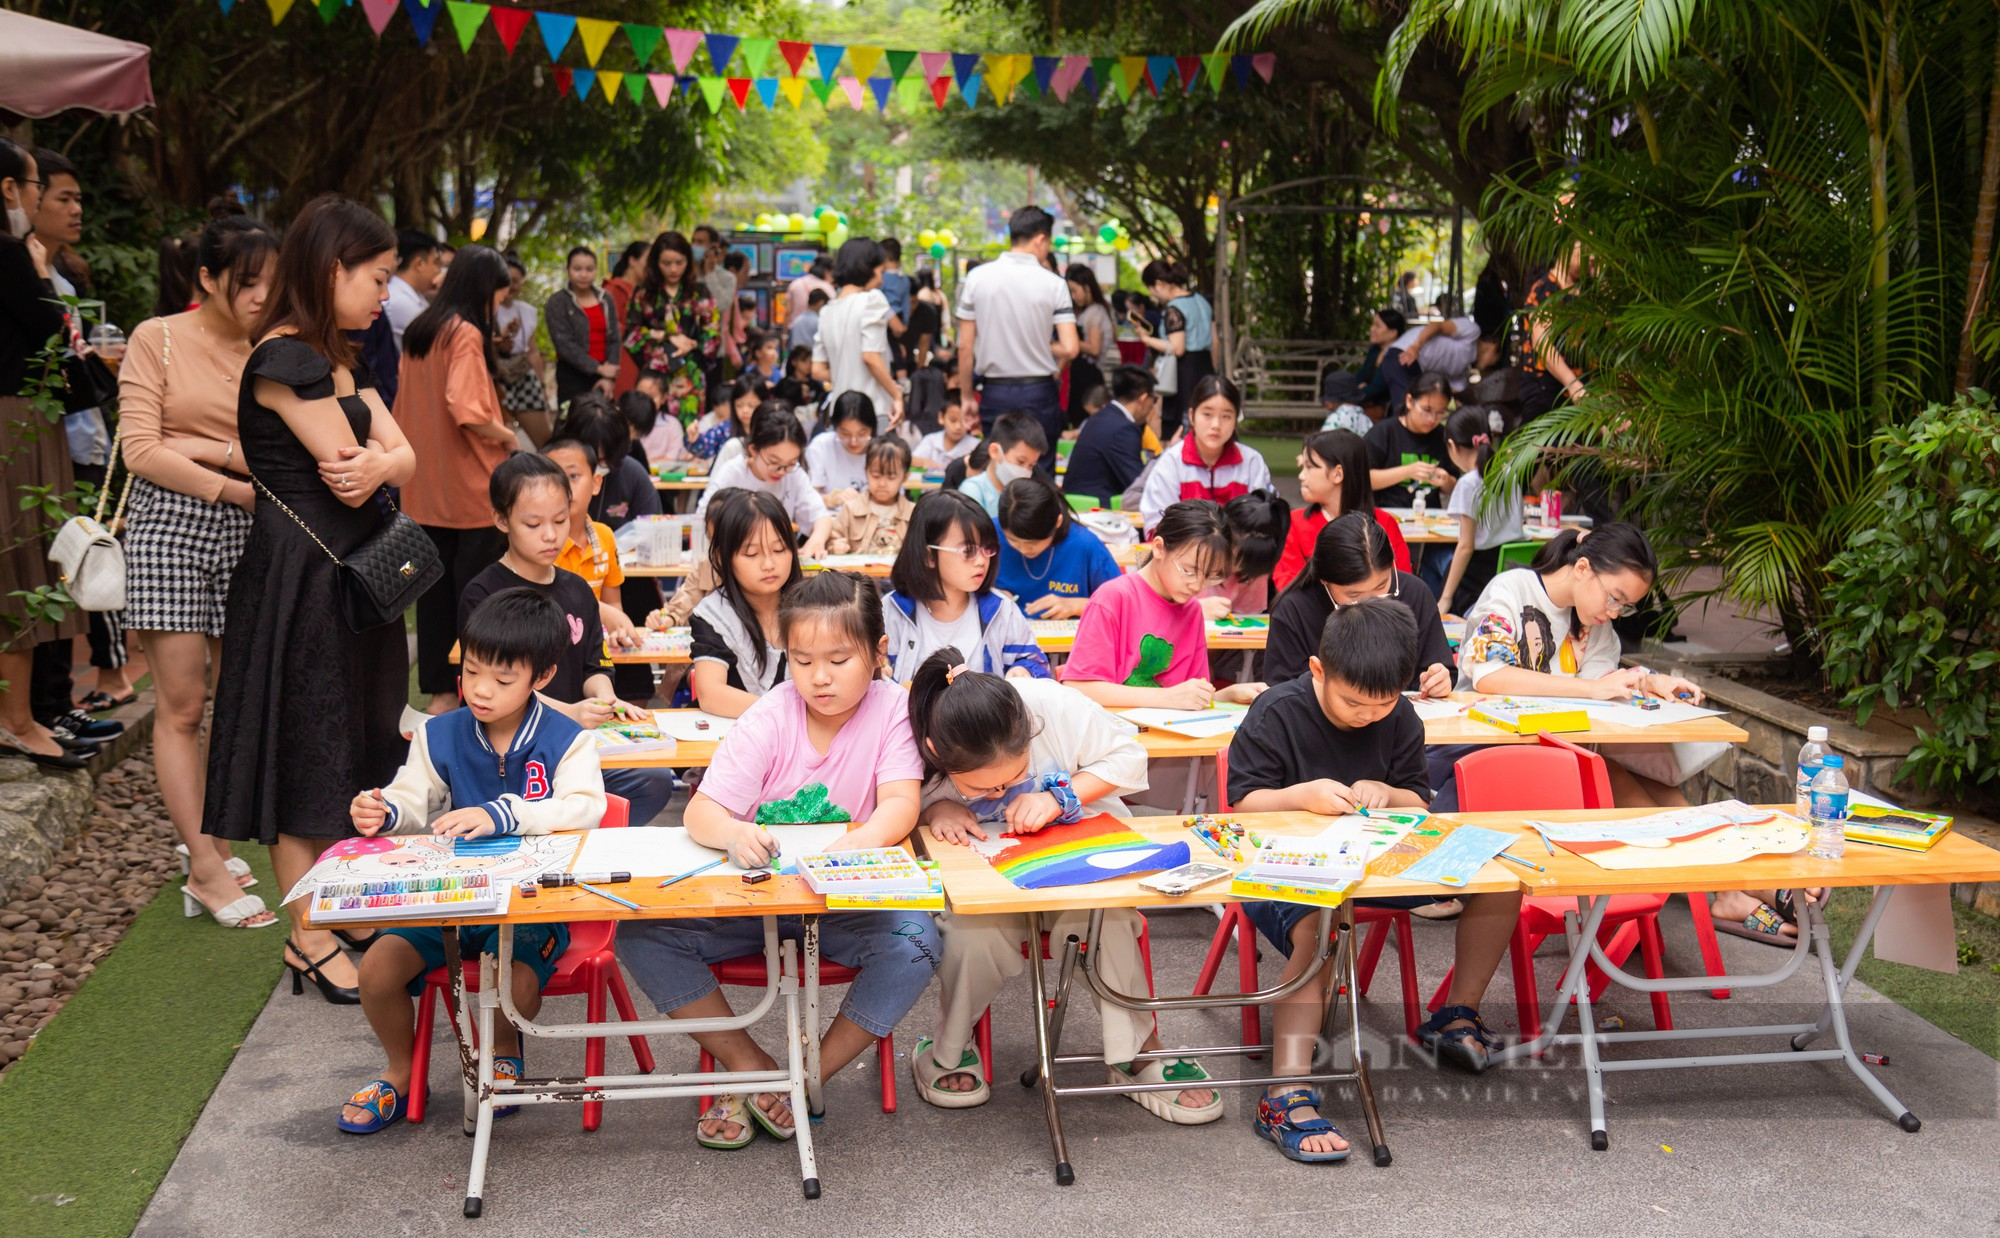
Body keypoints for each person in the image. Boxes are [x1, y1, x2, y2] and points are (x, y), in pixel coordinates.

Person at [616, 570, 941, 1150]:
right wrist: (735, 832)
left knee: (918, 941)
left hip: (843, 901)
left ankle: (808, 1072)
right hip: (758, 900)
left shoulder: (895, 709)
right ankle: (754, 1069)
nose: (819, 678)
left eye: (839, 659)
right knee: (642, 937)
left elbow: (900, 805)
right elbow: (701, 813)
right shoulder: (770, 714)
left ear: (878, 652)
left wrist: (848, 850)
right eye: (802, 660)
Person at [201, 195, 417, 1002]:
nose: (383, 295)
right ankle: (310, 935)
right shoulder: (283, 360)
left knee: (357, 740)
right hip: (303, 579)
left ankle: (335, 909)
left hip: (350, 576)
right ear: (333, 269)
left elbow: (401, 459)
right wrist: (385, 460)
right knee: (305, 751)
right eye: (377, 277)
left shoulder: (338, 359)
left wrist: (387, 462)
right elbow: (349, 458)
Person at [1229, 599, 1526, 1143]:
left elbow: (1417, 799)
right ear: (1319, 670)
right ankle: (1285, 1091)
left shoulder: (1401, 717)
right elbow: (1242, 807)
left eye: (1382, 704)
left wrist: (1390, 793)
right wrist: (1303, 795)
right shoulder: (1276, 711)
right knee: (1318, 928)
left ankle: (1457, 1012)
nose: (1367, 715)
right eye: (1353, 704)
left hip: (1380, 864)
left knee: (1500, 883)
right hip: (1288, 872)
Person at [907, 651, 1224, 1121]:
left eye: (1015, 777)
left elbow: (1129, 755)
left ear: (1027, 729)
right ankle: (949, 1047)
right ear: (936, 752)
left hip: (1076, 862)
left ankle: (1137, 1051)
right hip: (989, 880)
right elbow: (896, 804)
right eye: (983, 789)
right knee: (971, 934)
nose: (1001, 794)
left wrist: (1060, 797)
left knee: (1105, 920)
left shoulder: (1049, 704)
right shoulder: (917, 739)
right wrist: (936, 810)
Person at [337, 588, 607, 1134]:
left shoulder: (568, 740)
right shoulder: (439, 733)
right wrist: (384, 810)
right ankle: (401, 1070)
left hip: (532, 903)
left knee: (512, 980)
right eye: (473, 670)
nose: (481, 690)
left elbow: (586, 808)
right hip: (450, 901)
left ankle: (504, 1052)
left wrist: (503, 812)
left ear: (543, 677)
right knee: (377, 969)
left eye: (503, 680)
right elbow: (415, 799)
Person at [118, 204, 280, 925]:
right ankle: (205, 868)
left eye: (269, 281)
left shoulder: (272, 350)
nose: (258, 294)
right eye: (245, 281)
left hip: (253, 532)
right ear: (207, 278)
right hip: (171, 529)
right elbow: (141, 450)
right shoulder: (158, 338)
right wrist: (229, 474)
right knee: (182, 705)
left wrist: (197, 445)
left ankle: (209, 835)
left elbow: (285, 451)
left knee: (236, 696)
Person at [458, 453, 673, 825]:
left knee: (652, 781)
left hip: (572, 742)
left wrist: (606, 699)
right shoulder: (484, 593)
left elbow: (594, 663)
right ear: (501, 519)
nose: (551, 534)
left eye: (560, 520)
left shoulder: (576, 589)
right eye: (533, 523)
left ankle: (579, 837)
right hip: (511, 749)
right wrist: (570, 713)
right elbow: (492, 684)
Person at [1456, 523, 1709, 807]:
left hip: (1557, 749)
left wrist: (1653, 682)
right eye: (1614, 598)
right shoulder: (1511, 589)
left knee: (1665, 798)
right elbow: (1490, 675)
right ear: (1582, 568)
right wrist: (1591, 688)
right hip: (1485, 747)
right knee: (1612, 778)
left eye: (1625, 606)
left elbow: (1603, 683)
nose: (1614, 612)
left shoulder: (1593, 620)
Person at [27, 150, 134, 729]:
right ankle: (52, 706)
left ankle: (58, 704)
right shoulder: (33, 273)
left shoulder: (61, 272)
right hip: (50, 445)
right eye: (63, 198)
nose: (76, 210)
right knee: (63, 574)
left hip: (80, 443)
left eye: (79, 199)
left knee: (71, 577)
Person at [0, 139, 93, 768]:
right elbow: (50, 331)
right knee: (24, 565)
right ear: (9, 189)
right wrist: (36, 269)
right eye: (35, 186)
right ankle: (19, 720)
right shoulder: (10, 255)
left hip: (21, 417)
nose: (37, 197)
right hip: (17, 420)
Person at [394, 244, 516, 716]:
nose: (497, 309)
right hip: (471, 491)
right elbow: (467, 410)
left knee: (435, 601)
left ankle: (441, 696)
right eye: (498, 299)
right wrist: (508, 437)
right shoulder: (463, 334)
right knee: (478, 598)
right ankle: (472, 703)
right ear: (482, 291)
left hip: (425, 489)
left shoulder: (423, 330)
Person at [1060, 500, 1263, 709]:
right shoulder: (1113, 598)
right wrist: (1167, 698)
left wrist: (1227, 694)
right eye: (1189, 571)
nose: (1197, 585)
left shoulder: (1192, 610)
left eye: (1209, 576)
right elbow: (1078, 686)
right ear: (1158, 548)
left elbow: (1186, 696)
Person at [1264, 511, 1455, 695]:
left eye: (1381, 586)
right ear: (1324, 580)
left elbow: (1438, 667)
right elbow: (1283, 691)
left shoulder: (1415, 593)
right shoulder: (1293, 610)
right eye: (1354, 594)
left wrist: (1438, 680)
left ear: (1392, 566)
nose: (1370, 601)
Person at [881, 491, 1049, 682]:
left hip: (986, 713)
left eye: (987, 548)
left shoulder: (1002, 610)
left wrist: (1023, 671)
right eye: (968, 551)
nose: (981, 561)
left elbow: (1036, 664)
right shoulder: (891, 611)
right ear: (929, 556)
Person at [955, 206, 1080, 446]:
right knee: (1039, 469)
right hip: (1039, 390)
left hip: (995, 391)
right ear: (1041, 239)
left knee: (998, 465)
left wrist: (967, 395)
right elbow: (1071, 348)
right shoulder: (1054, 284)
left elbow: (964, 346)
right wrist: (1037, 342)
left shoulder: (977, 278)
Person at [687, 489, 801, 716]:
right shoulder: (714, 615)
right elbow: (710, 694)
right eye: (751, 554)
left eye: (779, 549)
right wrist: (786, 713)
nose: (769, 564)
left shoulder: (814, 606)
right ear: (721, 558)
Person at [1273, 428, 1410, 591]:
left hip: (1376, 614)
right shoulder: (1294, 523)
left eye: (1309, 467)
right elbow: (1287, 586)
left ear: (1338, 474)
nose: (1301, 476)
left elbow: (1402, 585)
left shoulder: (1384, 523)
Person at [694, 403, 832, 561]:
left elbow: (820, 515)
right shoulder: (733, 473)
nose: (782, 471)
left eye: (791, 463)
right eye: (774, 462)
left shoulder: (794, 474)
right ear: (753, 450)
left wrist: (817, 539)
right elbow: (704, 519)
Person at [1138, 374, 1271, 536]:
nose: (1216, 425)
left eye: (1226, 416)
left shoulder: (1251, 462)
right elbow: (1156, 525)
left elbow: (1265, 520)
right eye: (1207, 414)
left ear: (1235, 421)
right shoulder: (1171, 462)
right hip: (1185, 558)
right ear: (1192, 416)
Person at [542, 436, 641, 653]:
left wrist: (617, 630)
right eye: (553, 478)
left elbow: (614, 604)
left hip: (595, 650)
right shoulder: (542, 543)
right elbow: (548, 606)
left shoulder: (605, 536)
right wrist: (604, 613)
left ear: (596, 483)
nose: (564, 487)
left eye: (573, 476)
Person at [623, 231, 717, 428]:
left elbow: (713, 335)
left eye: (679, 262)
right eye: (666, 263)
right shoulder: (643, 294)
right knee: (648, 428)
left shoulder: (700, 293)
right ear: (655, 263)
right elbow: (631, 335)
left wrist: (691, 344)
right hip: (653, 378)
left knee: (689, 431)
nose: (673, 269)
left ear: (688, 261)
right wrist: (666, 338)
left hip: (689, 375)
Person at [995, 475, 1121, 620]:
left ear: (1057, 522)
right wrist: (990, 596)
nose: (1023, 549)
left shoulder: (1084, 545)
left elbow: (1122, 604)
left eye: (1033, 543)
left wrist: (1078, 606)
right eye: (1013, 540)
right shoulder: (990, 536)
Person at [1437, 405, 1524, 616]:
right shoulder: (1510, 470)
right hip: (1512, 570)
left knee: (1438, 565)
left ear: (1452, 445)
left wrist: (1445, 599)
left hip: (1477, 581)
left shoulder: (1468, 483)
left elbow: (1466, 546)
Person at [811, 237, 904, 431]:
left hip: (840, 415)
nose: (881, 279)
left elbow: (817, 370)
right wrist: (896, 394)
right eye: (881, 271)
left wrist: (847, 371)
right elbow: (870, 357)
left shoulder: (827, 311)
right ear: (867, 268)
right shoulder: (872, 300)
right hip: (872, 411)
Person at [1129, 259, 1214, 441]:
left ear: (1159, 284)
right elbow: (1215, 342)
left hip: (1184, 374)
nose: (1152, 295)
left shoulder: (1174, 309)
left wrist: (1147, 340)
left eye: (1151, 289)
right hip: (1206, 368)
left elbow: (1177, 348)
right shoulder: (1202, 301)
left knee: (1179, 431)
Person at [649, 486, 747, 632]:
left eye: (730, 540)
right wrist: (666, 618)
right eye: (716, 542)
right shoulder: (706, 566)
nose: (722, 552)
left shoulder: (761, 569)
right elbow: (684, 602)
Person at [1062, 364, 1153, 509]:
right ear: (1143, 399)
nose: (1152, 407)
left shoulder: (1102, 417)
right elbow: (1139, 486)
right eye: (1153, 401)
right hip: (1098, 510)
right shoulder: (1124, 428)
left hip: (1077, 503)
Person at [1514, 244, 1587, 422]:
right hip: (1545, 389)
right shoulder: (1545, 288)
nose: (1589, 258)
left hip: (1576, 389)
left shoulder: (1585, 291)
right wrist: (1572, 383)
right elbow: (1542, 342)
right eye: (1584, 251)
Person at [1365, 370, 1457, 509]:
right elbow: (1363, 479)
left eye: (1440, 413)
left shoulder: (1443, 436)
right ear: (1409, 401)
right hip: (1386, 517)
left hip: (1430, 518)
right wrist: (1407, 472)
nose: (1432, 419)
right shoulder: (1384, 432)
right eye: (1426, 410)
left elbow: (1453, 486)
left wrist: (1445, 481)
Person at [545, 245, 623, 408]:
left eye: (589, 269)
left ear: (595, 270)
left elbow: (614, 338)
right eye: (577, 268)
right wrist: (597, 368)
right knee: (573, 423)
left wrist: (609, 376)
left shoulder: (605, 299)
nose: (583, 274)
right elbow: (564, 345)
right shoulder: (557, 302)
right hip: (572, 375)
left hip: (604, 375)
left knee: (602, 423)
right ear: (568, 270)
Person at [1199, 489, 1291, 619]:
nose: (1234, 569)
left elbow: (1247, 622)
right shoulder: (1189, 549)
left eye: (1245, 567)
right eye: (1233, 558)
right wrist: (1195, 610)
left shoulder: (1255, 572)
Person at [492, 255, 550, 443]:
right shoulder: (488, 309)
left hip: (522, 376)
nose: (511, 285)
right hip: (496, 378)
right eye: (506, 279)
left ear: (523, 282)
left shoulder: (527, 311)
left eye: (516, 280)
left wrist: (541, 385)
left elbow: (532, 351)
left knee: (545, 439)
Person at [826, 436, 915, 555]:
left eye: (891, 477)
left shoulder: (913, 513)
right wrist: (835, 546)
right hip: (858, 573)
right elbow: (832, 540)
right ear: (866, 471)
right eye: (876, 475)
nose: (882, 484)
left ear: (905, 476)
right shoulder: (851, 509)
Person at [957, 411, 1045, 520]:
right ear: (995, 451)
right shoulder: (973, 490)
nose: (1025, 471)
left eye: (1031, 466)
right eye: (1020, 461)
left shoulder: (1026, 495)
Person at [1063, 263, 1118, 428]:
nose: (1073, 296)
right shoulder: (1090, 311)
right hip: (1083, 374)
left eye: (1075, 290)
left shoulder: (1095, 312)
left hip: (1089, 376)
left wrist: (1070, 340)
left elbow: (1095, 348)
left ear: (1087, 287)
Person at [804, 390, 878, 505]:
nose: (853, 442)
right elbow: (807, 496)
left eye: (862, 434)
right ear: (835, 427)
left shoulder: (880, 452)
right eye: (845, 434)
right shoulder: (821, 446)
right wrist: (831, 499)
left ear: (872, 429)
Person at [1394, 306, 1483, 394]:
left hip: (1417, 368)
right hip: (1406, 354)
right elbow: (1437, 325)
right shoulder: (1473, 331)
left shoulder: (1462, 372)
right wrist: (1415, 347)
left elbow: (1455, 391)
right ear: (1494, 346)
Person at [689, 372, 768, 466]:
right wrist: (694, 439)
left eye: (751, 406)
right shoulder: (725, 429)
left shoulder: (770, 430)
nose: (745, 410)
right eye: (739, 405)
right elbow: (702, 450)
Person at [604, 240, 649, 397]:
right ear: (632, 261)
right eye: (647, 261)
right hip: (622, 363)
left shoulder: (644, 292)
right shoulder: (613, 290)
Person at [384, 227, 438, 349]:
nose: (437, 270)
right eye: (435, 262)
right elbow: (440, 338)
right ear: (419, 264)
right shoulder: (400, 301)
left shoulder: (411, 295)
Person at [912, 390, 979, 469]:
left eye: (964, 421)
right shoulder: (931, 440)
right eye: (953, 420)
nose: (958, 426)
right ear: (941, 417)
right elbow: (911, 460)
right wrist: (926, 462)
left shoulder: (975, 446)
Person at [904, 266, 945, 369]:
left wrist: (920, 370)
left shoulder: (926, 310)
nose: (911, 307)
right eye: (907, 303)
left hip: (916, 352)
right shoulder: (892, 310)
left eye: (914, 302)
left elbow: (924, 344)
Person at [774, 343, 826, 412]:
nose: (808, 365)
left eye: (810, 362)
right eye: (804, 361)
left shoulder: (816, 383)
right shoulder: (785, 384)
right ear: (794, 362)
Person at [784, 252, 834, 322]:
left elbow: (788, 312)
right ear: (827, 271)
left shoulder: (795, 284)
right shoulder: (828, 288)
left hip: (796, 329)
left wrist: (784, 333)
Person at [788, 286, 827, 354]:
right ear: (820, 302)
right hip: (811, 359)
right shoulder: (818, 322)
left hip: (796, 359)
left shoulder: (797, 320)